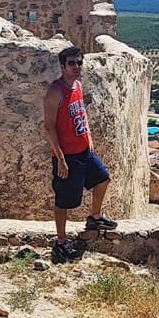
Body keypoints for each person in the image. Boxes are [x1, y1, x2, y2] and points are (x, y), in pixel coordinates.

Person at [43, 46, 118, 263]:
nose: (76, 67)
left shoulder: (77, 85)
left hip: (84, 151)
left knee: (103, 178)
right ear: (63, 65)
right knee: (64, 201)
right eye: (72, 63)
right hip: (67, 156)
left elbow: (81, 113)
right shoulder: (55, 92)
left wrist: (90, 138)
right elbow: (49, 127)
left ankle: (95, 217)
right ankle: (61, 241)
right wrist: (61, 159)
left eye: (79, 62)